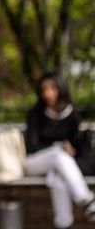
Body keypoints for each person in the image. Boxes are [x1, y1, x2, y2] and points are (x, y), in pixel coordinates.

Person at [25, 72, 95, 229]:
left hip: (62, 166)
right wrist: (60, 147)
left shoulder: (73, 115)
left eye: (52, 88)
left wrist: (71, 149)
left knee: (59, 180)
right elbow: (32, 146)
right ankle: (86, 199)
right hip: (34, 162)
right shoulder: (36, 114)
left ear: (61, 89)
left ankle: (64, 225)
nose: (47, 93)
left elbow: (75, 143)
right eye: (44, 89)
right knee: (58, 155)